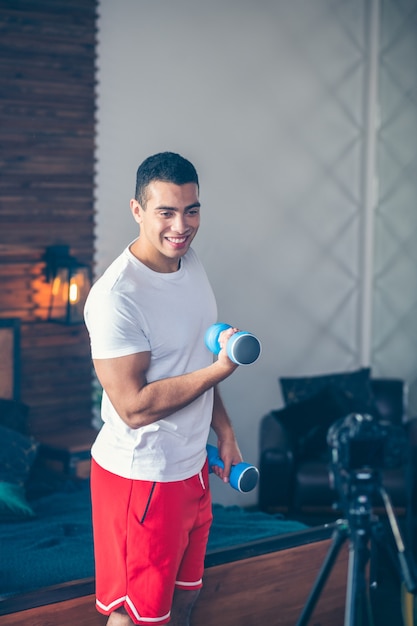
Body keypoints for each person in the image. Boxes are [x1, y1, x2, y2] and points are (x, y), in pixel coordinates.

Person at [84, 151, 243, 626]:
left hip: (191, 469)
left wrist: (225, 430)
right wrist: (220, 371)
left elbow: (194, 362)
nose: (181, 225)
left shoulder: (189, 264)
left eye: (191, 210)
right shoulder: (117, 298)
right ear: (137, 210)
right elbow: (133, 407)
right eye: (166, 212)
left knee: (185, 600)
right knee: (137, 617)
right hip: (142, 476)